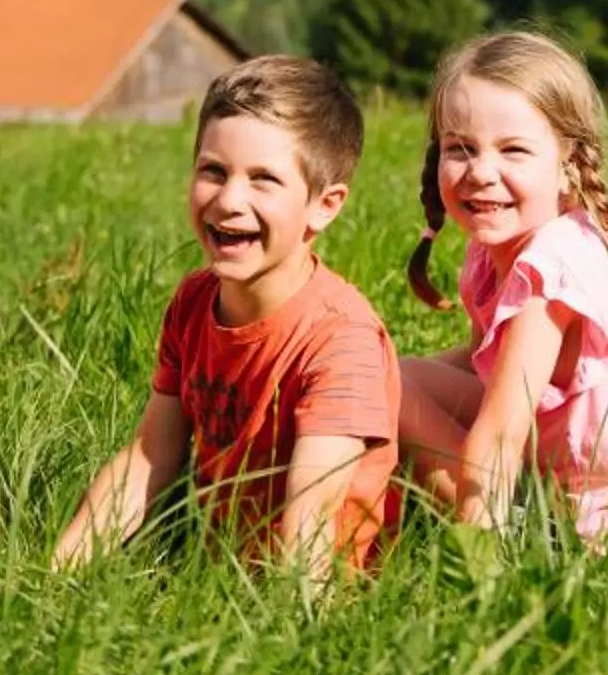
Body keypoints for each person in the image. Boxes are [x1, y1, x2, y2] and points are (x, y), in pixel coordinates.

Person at [55, 55, 400, 577]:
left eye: (264, 180)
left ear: (324, 206)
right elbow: (150, 458)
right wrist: (55, 574)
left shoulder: (340, 339)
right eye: (213, 171)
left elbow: (311, 525)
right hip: (214, 570)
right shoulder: (194, 302)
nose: (229, 200)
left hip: (313, 595)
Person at [395, 31, 608, 539]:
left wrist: (480, 572)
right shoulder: (506, 248)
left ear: (568, 168)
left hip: (601, 525)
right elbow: (485, 366)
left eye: (513, 150)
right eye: (460, 148)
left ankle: (495, 535)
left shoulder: (550, 269)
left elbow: (499, 432)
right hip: (589, 484)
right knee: (382, 372)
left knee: (383, 391)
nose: (481, 172)